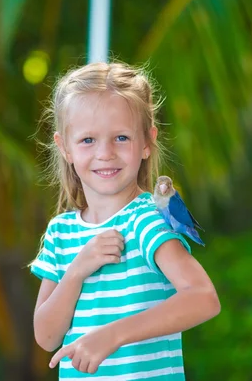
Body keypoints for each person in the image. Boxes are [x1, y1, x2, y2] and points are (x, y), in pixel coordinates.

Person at [30, 62, 220, 380]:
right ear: (65, 148)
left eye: (120, 137)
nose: (105, 153)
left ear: (146, 142)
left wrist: (112, 335)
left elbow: (203, 298)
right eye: (88, 140)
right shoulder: (60, 234)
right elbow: (46, 337)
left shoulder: (147, 221)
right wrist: (78, 269)